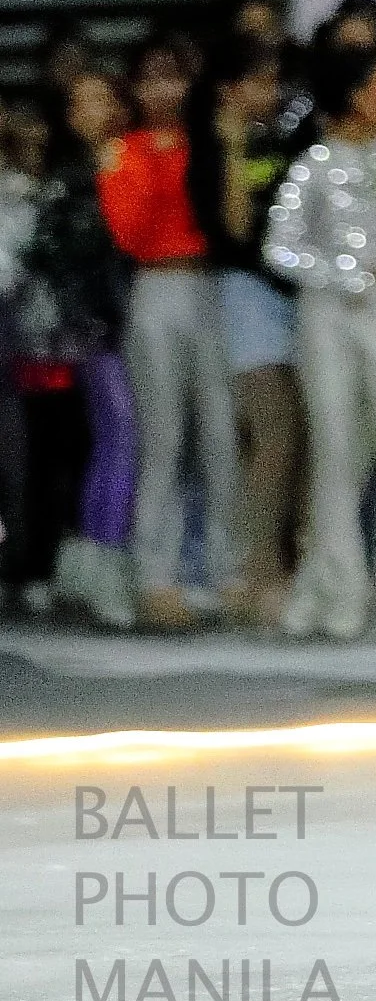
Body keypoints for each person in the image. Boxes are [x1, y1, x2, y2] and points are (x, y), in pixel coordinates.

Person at [265, 44, 376, 640]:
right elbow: (279, 246)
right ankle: (342, 591)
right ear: (354, 95)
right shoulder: (313, 165)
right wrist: (340, 272)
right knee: (337, 447)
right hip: (326, 313)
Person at [97, 34, 240, 630]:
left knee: (221, 434)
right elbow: (127, 233)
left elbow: (230, 224)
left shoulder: (210, 143)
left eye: (175, 76)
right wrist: (156, 163)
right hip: (155, 288)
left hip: (210, 287)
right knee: (164, 438)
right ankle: (157, 578)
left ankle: (226, 570)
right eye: (152, 78)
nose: (164, 90)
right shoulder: (122, 151)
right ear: (134, 87)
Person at [184, 32, 308, 627]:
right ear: (227, 88)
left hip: (294, 292)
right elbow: (232, 228)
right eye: (258, 82)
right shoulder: (207, 148)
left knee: (303, 437)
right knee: (272, 437)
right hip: (242, 295)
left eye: (274, 81)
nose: (271, 92)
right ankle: (255, 567)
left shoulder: (287, 138)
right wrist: (232, 150)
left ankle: (297, 564)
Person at [15, 73, 136, 627]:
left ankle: (105, 559)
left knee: (125, 441)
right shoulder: (67, 181)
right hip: (87, 333)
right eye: (83, 102)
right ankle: (92, 561)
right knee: (110, 438)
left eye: (104, 98)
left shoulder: (134, 159)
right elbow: (48, 254)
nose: (96, 110)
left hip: (141, 315)